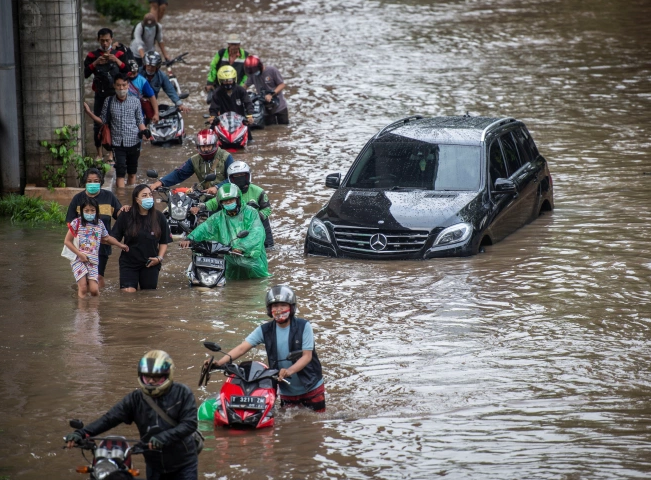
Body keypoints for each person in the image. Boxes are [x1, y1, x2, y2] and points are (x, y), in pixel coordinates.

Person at [64, 350, 199, 480]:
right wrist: (82, 433)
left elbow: (190, 424)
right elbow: (109, 418)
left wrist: (164, 437)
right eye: (147, 377)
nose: (151, 381)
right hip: (154, 464)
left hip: (183, 463)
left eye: (156, 378)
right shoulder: (135, 399)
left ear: (167, 376)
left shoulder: (183, 393)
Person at [209, 286, 325, 411]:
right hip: (286, 390)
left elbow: (307, 356)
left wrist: (288, 371)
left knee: (316, 423)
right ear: (269, 309)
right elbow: (242, 348)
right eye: (275, 306)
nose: (279, 309)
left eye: (283, 305)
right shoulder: (264, 330)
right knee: (289, 426)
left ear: (291, 307)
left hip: (311, 385)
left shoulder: (304, 326)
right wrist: (219, 363)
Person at [178, 184, 270, 280]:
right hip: (230, 257)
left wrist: (241, 247)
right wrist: (190, 238)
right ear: (221, 203)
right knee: (229, 286)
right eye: (225, 201)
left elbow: (256, 232)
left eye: (231, 200)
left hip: (250, 258)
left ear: (238, 199)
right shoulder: (218, 217)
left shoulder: (251, 212)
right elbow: (205, 228)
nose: (228, 203)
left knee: (258, 284)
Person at [83, 73, 152, 187]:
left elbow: (139, 121)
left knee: (132, 173)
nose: (121, 88)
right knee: (120, 173)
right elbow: (102, 120)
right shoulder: (109, 101)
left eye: (124, 85)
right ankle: (121, 198)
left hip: (134, 142)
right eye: (118, 85)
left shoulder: (135, 101)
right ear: (114, 86)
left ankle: (130, 197)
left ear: (128, 85)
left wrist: (145, 132)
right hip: (117, 143)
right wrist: (89, 112)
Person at [66, 168, 124, 288]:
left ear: (101, 182)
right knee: (82, 278)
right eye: (89, 181)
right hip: (81, 248)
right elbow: (70, 223)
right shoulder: (77, 199)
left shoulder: (109, 197)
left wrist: (124, 211)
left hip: (102, 245)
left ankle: (97, 302)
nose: (93, 184)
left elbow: (119, 216)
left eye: (96, 181)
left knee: (98, 276)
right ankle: (82, 303)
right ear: (85, 183)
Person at [64, 197, 129, 298]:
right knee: (83, 288)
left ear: (97, 211)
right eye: (86, 210)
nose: (89, 213)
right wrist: (80, 254)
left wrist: (120, 245)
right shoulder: (76, 223)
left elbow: (107, 238)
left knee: (94, 290)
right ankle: (82, 313)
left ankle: (94, 312)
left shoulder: (99, 224)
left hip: (93, 260)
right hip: (78, 259)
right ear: (81, 211)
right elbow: (67, 241)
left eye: (92, 210)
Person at [111, 185, 171, 292]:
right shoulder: (126, 216)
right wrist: (120, 245)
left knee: (148, 295)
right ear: (137, 200)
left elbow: (164, 242)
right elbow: (113, 237)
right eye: (144, 195)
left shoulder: (159, 217)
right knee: (128, 293)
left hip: (150, 263)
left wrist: (159, 258)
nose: (148, 197)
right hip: (129, 263)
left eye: (150, 195)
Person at [202, 161, 274, 248]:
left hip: (256, 226)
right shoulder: (226, 191)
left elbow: (267, 209)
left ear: (248, 176)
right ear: (230, 179)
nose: (239, 179)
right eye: (236, 177)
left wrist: (255, 217)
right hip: (232, 224)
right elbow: (213, 203)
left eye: (242, 176)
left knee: (268, 249)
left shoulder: (258, 191)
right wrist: (201, 207)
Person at [83, 28, 130, 159]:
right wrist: (96, 63)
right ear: (98, 40)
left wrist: (116, 60)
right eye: (102, 40)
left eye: (107, 40)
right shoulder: (92, 56)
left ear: (112, 40)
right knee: (97, 124)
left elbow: (127, 72)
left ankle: (111, 153)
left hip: (115, 95)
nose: (104, 43)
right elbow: (84, 73)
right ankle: (99, 153)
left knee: (114, 123)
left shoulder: (119, 54)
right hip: (100, 94)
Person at [148, 129, 233, 194]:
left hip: (226, 195)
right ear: (198, 147)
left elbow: (234, 178)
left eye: (208, 146)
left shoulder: (226, 157)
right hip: (205, 196)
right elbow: (179, 174)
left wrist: (217, 187)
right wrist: (160, 182)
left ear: (214, 145)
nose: (206, 149)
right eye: (203, 147)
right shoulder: (194, 160)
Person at [244, 55, 289, 125]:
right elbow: (245, 86)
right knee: (270, 130)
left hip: (280, 106)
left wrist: (271, 94)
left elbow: (282, 84)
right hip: (265, 108)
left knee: (284, 128)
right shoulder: (253, 75)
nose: (254, 73)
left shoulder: (272, 70)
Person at [125, 59, 160, 124]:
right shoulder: (122, 79)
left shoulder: (142, 81)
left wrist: (156, 114)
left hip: (138, 111)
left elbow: (152, 97)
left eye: (134, 73)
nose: (132, 76)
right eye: (130, 73)